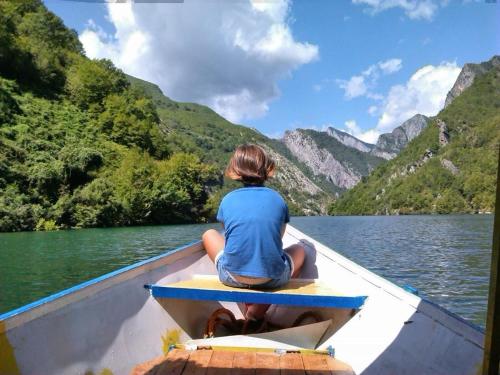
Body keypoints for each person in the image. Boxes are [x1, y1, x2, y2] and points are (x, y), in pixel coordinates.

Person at [202, 144, 305, 320]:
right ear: (267, 169)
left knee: (209, 234)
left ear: (236, 170)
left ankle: (246, 306)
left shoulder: (227, 200)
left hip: (231, 277)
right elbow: (277, 239)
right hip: (272, 280)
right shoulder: (278, 200)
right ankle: (257, 311)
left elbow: (228, 237)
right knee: (301, 250)